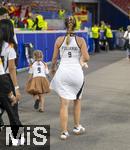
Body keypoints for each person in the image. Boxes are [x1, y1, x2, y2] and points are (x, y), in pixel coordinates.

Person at [50, 16, 90, 140]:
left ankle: (64, 132)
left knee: (64, 104)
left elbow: (54, 59)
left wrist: (52, 69)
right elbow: (86, 57)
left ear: (65, 25)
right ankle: (77, 126)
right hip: (76, 73)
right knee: (77, 101)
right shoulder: (81, 40)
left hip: (63, 72)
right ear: (76, 25)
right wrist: (82, 60)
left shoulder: (59, 40)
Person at [0, 19, 23, 146]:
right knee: (13, 111)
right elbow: (12, 69)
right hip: (6, 80)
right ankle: (17, 138)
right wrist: (17, 88)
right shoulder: (10, 47)